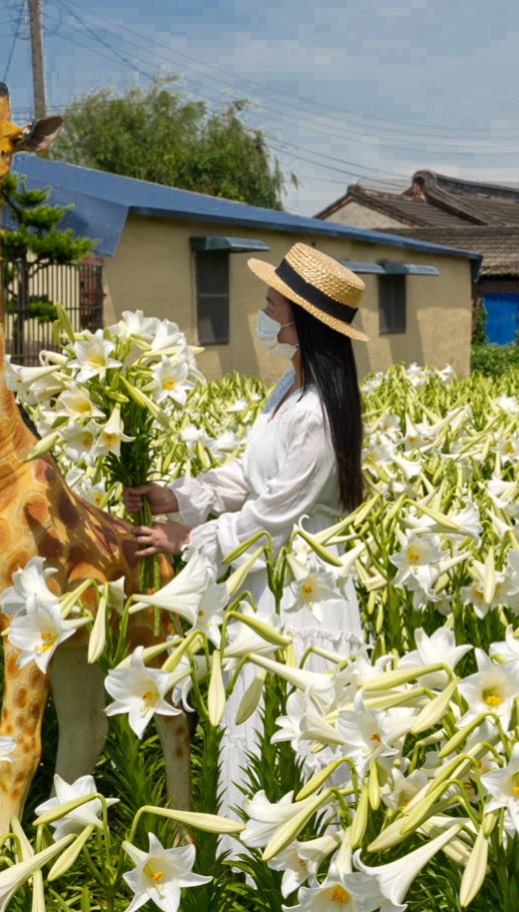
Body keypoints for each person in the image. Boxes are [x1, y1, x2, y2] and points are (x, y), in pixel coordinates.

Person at [122, 242, 371, 825]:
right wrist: (178, 497)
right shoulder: (291, 389)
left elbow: (276, 512)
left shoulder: (318, 411)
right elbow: (249, 475)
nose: (262, 311)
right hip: (266, 587)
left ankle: (309, 858)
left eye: (270, 302)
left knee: (303, 732)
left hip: (304, 599)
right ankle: (256, 856)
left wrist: (187, 540)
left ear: (299, 318)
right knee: (254, 727)